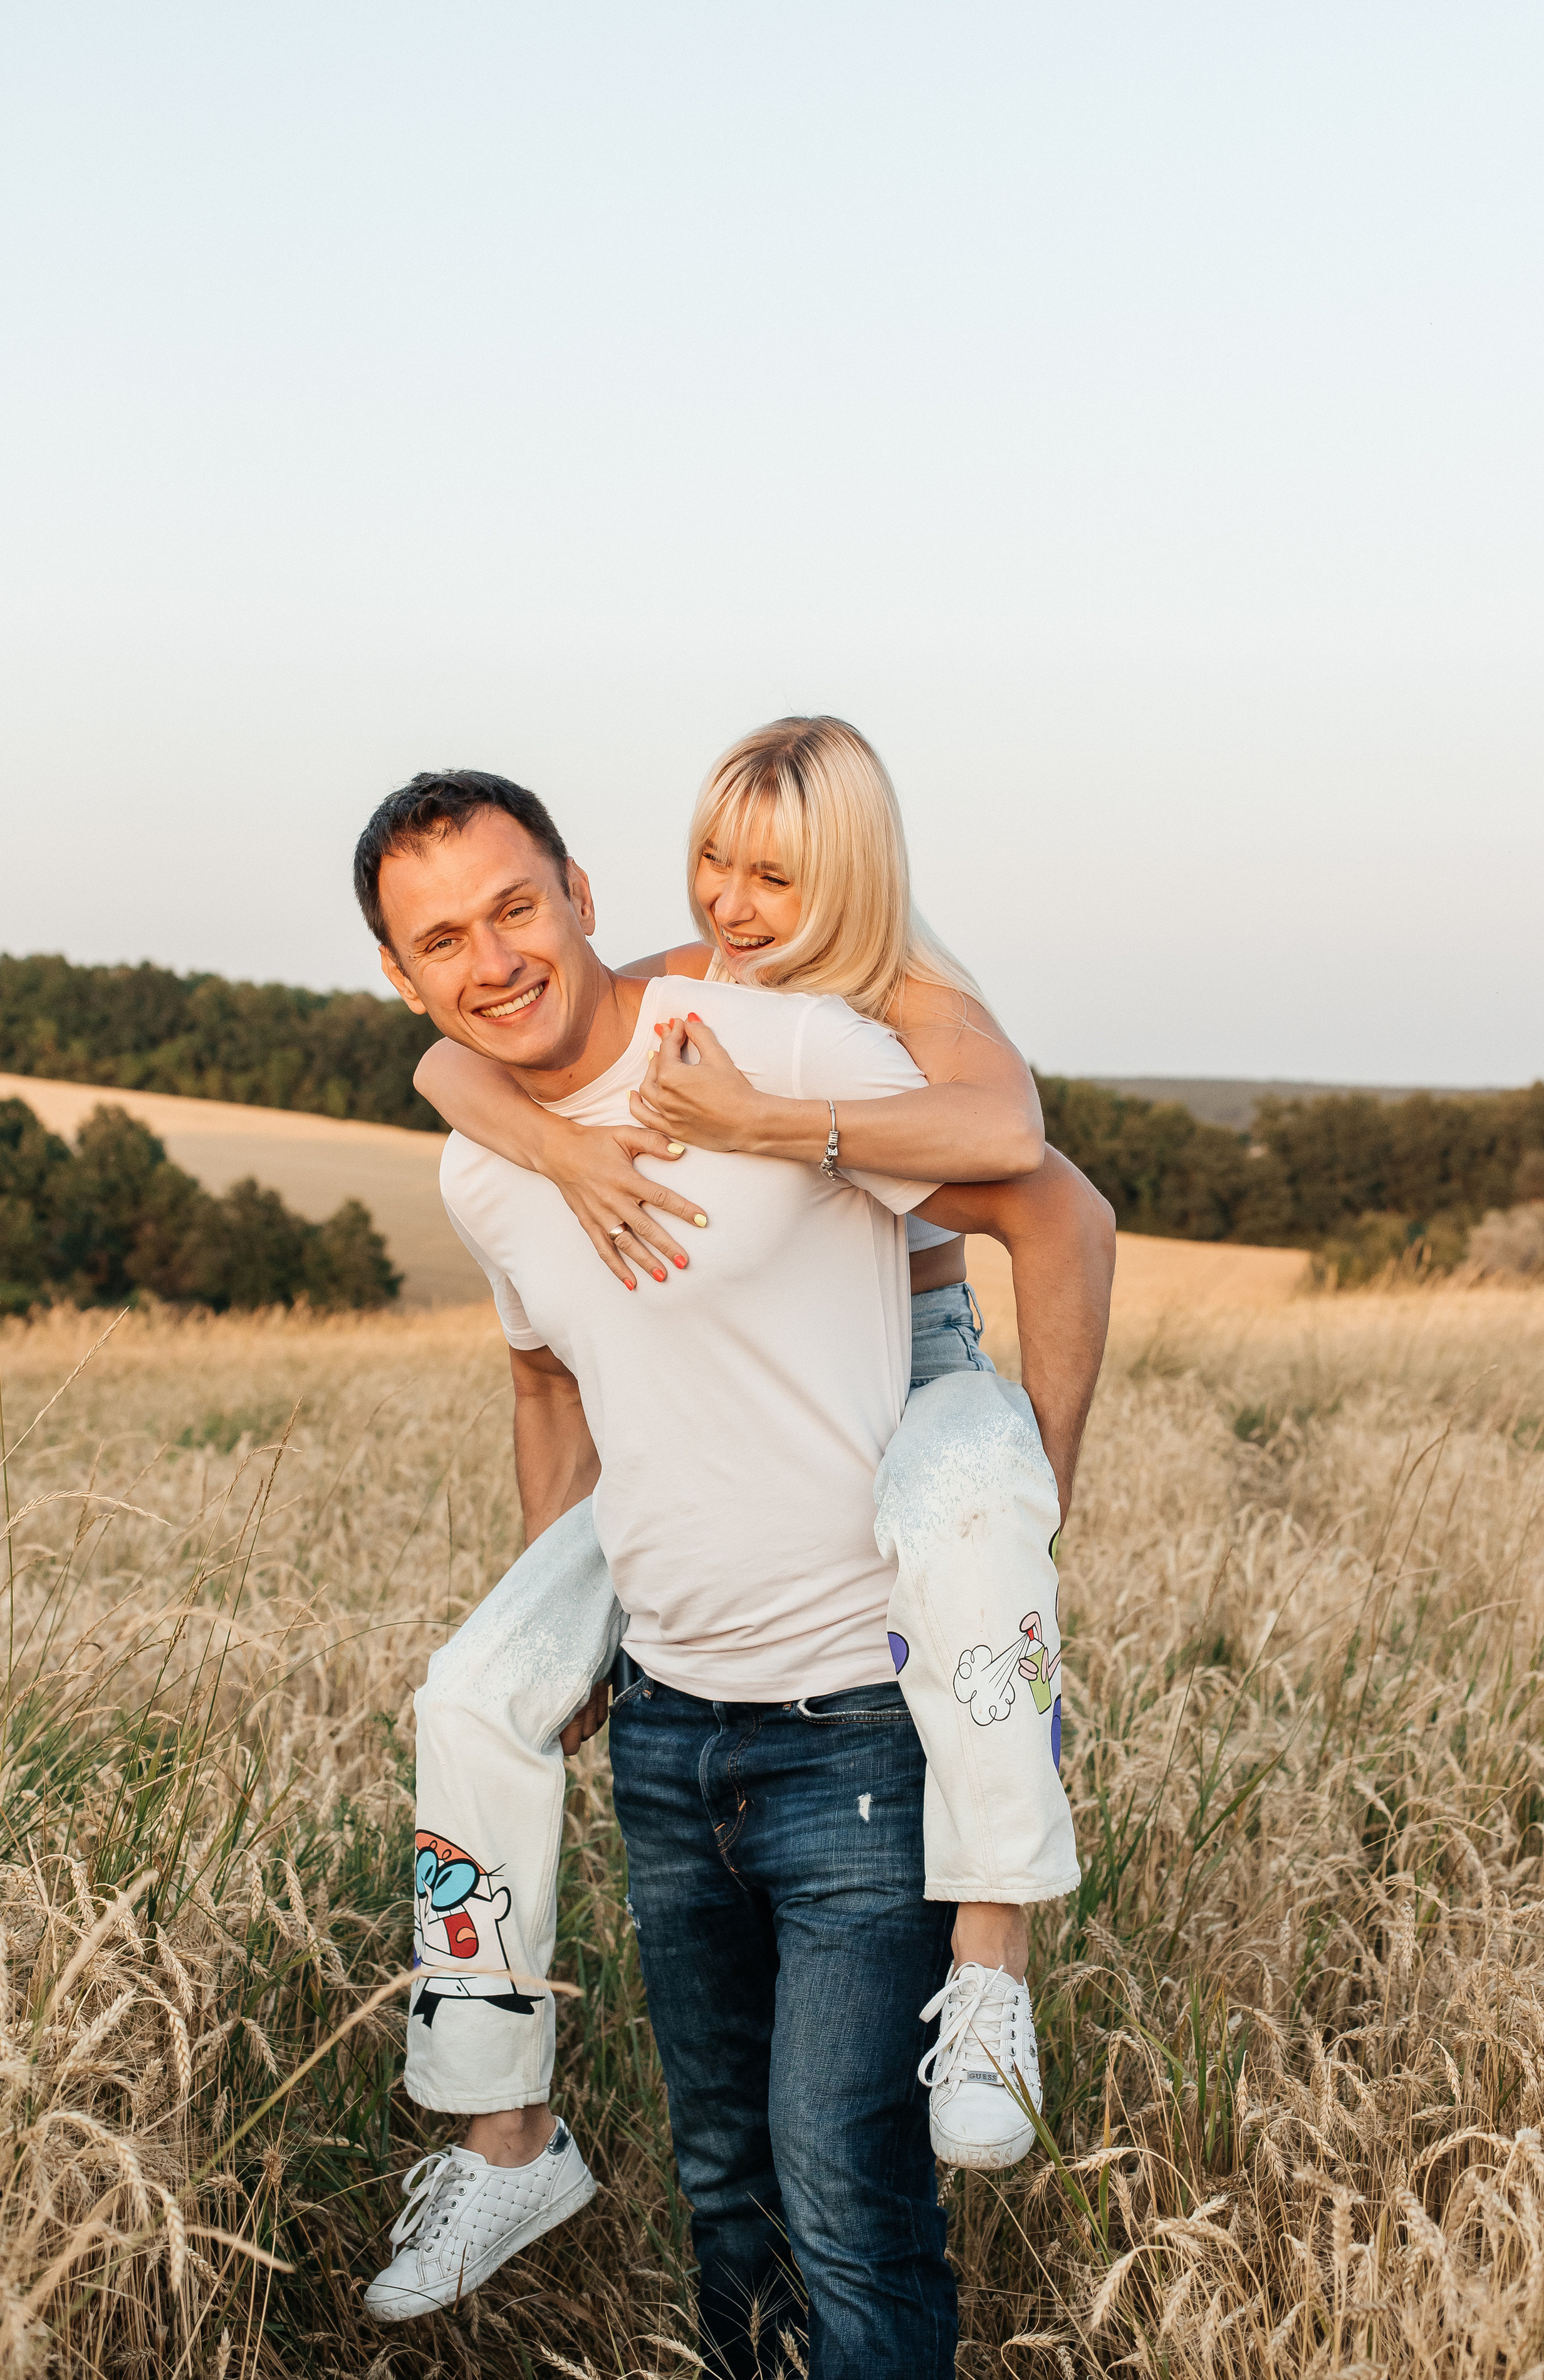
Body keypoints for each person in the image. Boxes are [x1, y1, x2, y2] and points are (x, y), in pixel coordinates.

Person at [353, 745, 1112, 2376]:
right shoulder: (481, 1158)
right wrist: (572, 1650)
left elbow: (1050, 1194)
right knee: (732, 2202)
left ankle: (998, 1964)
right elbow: (543, 1373)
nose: (492, 960)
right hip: (673, 1734)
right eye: (442, 942)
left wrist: (1042, 1490)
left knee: (847, 2206)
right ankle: (501, 2140)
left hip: (852, 1732)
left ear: (579, 898)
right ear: (403, 976)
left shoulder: (779, 1027)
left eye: (515, 908)